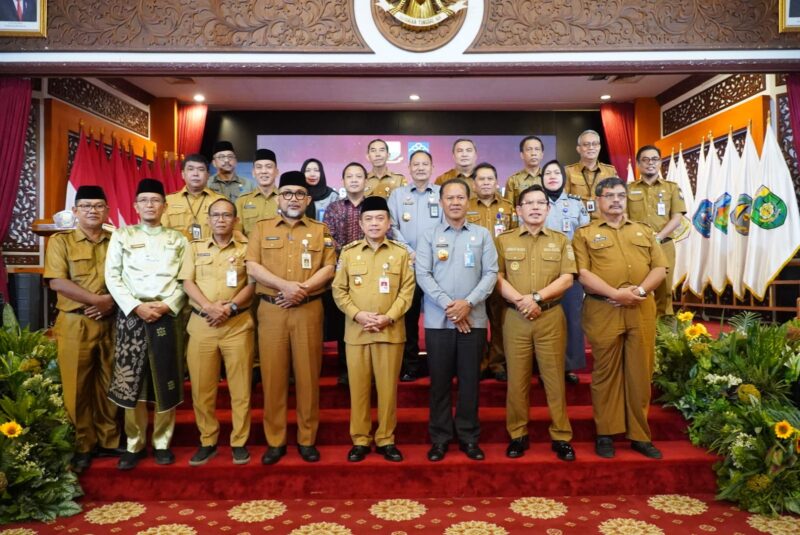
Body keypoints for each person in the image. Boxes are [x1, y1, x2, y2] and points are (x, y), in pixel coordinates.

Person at [572, 177, 667, 460]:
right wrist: (616, 293)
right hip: (603, 309)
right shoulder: (585, 234)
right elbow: (583, 274)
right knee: (605, 374)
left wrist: (636, 292)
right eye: (609, 195)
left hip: (640, 308)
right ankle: (606, 433)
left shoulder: (643, 231)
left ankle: (639, 435)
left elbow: (660, 268)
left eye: (620, 195)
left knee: (640, 373)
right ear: (598, 200)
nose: (615, 200)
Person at [246, 171, 336, 465]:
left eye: (299, 193)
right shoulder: (261, 229)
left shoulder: (320, 230)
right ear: (278, 198)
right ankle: (276, 440)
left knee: (309, 377)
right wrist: (285, 287)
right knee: (273, 377)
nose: (293, 198)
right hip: (272, 310)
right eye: (287, 193)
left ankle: (307, 439)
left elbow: (329, 268)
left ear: (308, 199)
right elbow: (253, 266)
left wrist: (303, 289)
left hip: (308, 310)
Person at [105, 178, 188, 470]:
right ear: (135, 206)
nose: (150, 205)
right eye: (144, 201)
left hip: (167, 314)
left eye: (156, 200)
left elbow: (185, 279)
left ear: (165, 206)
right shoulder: (122, 235)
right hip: (132, 315)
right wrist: (136, 306)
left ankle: (162, 442)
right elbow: (112, 277)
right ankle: (134, 443)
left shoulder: (178, 239)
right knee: (133, 384)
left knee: (167, 378)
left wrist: (168, 305)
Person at [416, 178, 498, 462]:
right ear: (441, 202)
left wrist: (468, 304)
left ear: (468, 201)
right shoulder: (428, 235)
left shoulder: (482, 235)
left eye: (460, 197)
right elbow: (423, 274)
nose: (454, 202)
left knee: (469, 382)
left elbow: (491, 274)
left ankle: (468, 436)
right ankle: (439, 438)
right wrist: (450, 307)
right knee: (439, 383)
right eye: (449, 198)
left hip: (473, 320)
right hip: (439, 322)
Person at [44, 185, 122, 472]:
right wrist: (96, 301)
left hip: (111, 320)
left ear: (107, 211)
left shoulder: (117, 240)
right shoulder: (60, 242)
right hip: (76, 321)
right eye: (86, 206)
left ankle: (109, 440)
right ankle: (82, 445)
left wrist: (110, 302)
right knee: (77, 387)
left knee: (110, 383)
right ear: (75, 211)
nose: (93, 211)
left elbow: (131, 276)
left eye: (99, 206)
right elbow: (57, 281)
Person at [332, 195, 415, 463]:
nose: (375, 223)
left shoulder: (401, 254)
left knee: (388, 391)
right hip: (357, 333)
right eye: (369, 219)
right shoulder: (349, 252)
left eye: (380, 218)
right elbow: (339, 290)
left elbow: (407, 291)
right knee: (358, 389)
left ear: (389, 222)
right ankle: (360, 439)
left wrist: (388, 317)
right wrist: (358, 315)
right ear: (361, 223)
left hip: (390, 333)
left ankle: (386, 439)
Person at [496, 185, 576, 461]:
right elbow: (497, 277)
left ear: (548, 208)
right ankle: (517, 434)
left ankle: (561, 435)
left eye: (540, 202)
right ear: (518, 210)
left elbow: (567, 278)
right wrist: (522, 301)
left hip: (550, 316)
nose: (535, 207)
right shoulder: (504, 240)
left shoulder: (561, 240)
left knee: (554, 378)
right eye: (528, 203)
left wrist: (537, 298)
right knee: (516, 380)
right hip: (516, 317)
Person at [179, 198, 256, 466]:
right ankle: (207, 440)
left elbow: (253, 284)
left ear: (236, 220)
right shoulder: (194, 247)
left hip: (237, 324)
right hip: (202, 324)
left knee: (241, 388)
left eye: (227, 215)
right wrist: (208, 306)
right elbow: (187, 281)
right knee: (202, 389)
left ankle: (239, 441)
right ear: (209, 220)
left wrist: (231, 307)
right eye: (216, 215)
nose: (221, 220)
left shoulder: (248, 248)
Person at [387, 150, 442, 381]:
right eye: (416, 164)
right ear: (409, 168)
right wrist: (412, 252)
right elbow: (391, 226)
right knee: (408, 318)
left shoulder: (442, 193)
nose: (420, 168)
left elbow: (447, 224)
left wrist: (428, 254)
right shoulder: (398, 195)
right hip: (407, 265)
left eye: (425, 164)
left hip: (437, 266)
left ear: (431, 168)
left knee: (438, 315)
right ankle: (410, 365)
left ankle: (439, 364)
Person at [466, 162, 517, 382]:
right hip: (472, 273)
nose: (486, 183)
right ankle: (478, 363)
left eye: (490, 179)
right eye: (481, 179)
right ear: (473, 183)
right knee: (475, 322)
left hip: (499, 273)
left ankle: (497, 363)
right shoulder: (465, 206)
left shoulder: (508, 207)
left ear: (497, 182)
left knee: (499, 320)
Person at [541, 159, 590, 384]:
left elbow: (584, 237)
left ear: (563, 177)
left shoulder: (575, 203)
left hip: (570, 271)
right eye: (547, 173)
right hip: (541, 271)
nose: (552, 176)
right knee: (543, 321)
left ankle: (567, 366)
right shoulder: (535, 201)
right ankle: (543, 367)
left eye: (556, 173)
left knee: (571, 319)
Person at [323, 162, 370, 386]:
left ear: (365, 181)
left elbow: (383, 233)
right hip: (341, 272)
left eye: (358, 176)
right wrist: (349, 254)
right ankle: (346, 369)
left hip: (370, 271)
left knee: (367, 317)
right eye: (349, 176)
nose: (353, 180)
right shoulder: (334, 208)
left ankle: (369, 369)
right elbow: (327, 238)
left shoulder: (373, 207)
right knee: (346, 322)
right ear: (342, 181)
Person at [627, 145, 686, 317]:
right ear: (638, 164)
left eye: (654, 159)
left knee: (665, 290)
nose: (650, 163)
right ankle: (639, 328)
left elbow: (677, 218)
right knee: (637, 286)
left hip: (664, 245)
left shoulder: (672, 188)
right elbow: (624, 217)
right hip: (636, 246)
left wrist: (658, 238)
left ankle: (663, 336)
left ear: (660, 162)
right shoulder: (628, 189)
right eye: (645, 160)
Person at [162, 154, 225, 241]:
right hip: (179, 252)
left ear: (207, 175)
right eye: (190, 169)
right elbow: (162, 232)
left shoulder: (220, 201)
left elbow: (227, 234)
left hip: (211, 253)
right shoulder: (168, 201)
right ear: (183, 174)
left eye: (201, 169)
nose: (195, 174)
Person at [564, 130, 618, 219]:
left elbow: (615, 199)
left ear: (599, 147)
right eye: (586, 144)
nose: (591, 147)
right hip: (578, 224)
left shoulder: (610, 171)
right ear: (578, 149)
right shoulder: (568, 171)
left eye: (595, 144)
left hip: (603, 224)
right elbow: (564, 201)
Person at [235, 148, 280, 236]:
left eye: (269, 167)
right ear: (253, 172)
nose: (263, 171)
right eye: (259, 167)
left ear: (276, 172)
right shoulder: (242, 201)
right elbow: (236, 232)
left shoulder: (287, 200)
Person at [504, 136, 545, 207]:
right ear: (522, 155)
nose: (533, 153)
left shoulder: (549, 178)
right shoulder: (513, 180)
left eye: (537, 149)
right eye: (529, 149)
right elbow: (509, 208)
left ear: (542, 155)